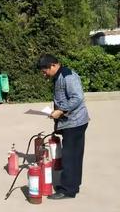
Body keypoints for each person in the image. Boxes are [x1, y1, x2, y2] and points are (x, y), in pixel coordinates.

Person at [38, 54, 90, 200]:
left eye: (45, 71)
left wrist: (61, 110)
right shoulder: (59, 76)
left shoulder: (68, 76)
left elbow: (77, 97)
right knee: (73, 156)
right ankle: (73, 185)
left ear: (53, 65)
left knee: (70, 156)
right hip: (70, 121)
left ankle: (68, 190)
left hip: (75, 122)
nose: (44, 74)